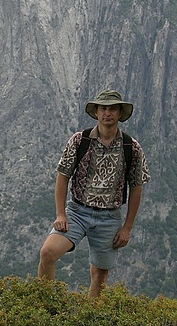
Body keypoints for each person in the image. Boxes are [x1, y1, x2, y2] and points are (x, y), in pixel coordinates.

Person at [37, 89, 150, 297]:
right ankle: (46, 305)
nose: (108, 113)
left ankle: (90, 317)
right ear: (96, 112)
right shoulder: (80, 140)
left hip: (109, 217)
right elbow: (62, 176)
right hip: (77, 211)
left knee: (99, 276)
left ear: (119, 114)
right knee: (48, 253)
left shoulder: (131, 147)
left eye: (112, 109)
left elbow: (136, 187)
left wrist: (127, 228)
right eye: (103, 108)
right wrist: (60, 214)